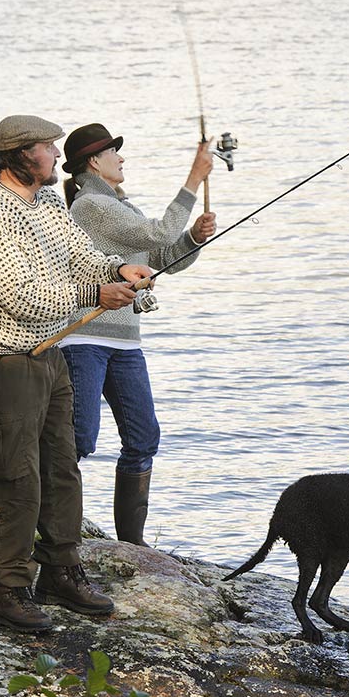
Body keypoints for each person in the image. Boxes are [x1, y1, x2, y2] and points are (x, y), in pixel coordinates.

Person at [0, 114, 154, 632]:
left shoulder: (45, 202)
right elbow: (18, 298)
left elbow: (81, 255)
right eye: (46, 146)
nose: (53, 153)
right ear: (22, 155)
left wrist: (116, 271)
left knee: (62, 466)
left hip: (51, 353)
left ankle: (62, 572)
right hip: (5, 358)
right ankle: (9, 590)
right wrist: (96, 295)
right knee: (15, 477)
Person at [59, 123, 216, 545]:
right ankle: (56, 535)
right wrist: (193, 179)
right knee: (79, 439)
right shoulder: (90, 206)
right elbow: (156, 233)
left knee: (143, 438)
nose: (122, 159)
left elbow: (162, 255)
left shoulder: (121, 208)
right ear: (94, 161)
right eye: (116, 152)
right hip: (84, 340)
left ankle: (132, 546)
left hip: (125, 343)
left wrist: (192, 239)